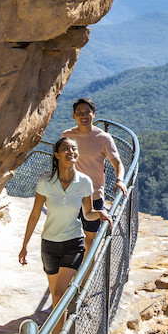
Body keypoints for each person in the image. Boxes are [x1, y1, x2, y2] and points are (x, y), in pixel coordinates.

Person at [18, 137, 110, 334]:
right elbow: (35, 214)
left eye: (74, 148)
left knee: (59, 294)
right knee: (56, 298)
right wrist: (24, 245)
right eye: (65, 148)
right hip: (49, 245)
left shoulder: (84, 182)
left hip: (73, 243)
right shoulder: (45, 182)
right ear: (57, 154)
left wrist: (100, 213)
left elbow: (87, 213)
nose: (71, 151)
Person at [61, 98, 128, 250]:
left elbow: (117, 163)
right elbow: (60, 164)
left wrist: (120, 180)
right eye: (79, 113)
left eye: (87, 112)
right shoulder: (67, 135)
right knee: (68, 239)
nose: (83, 116)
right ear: (74, 116)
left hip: (94, 196)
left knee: (90, 240)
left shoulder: (103, 138)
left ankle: (87, 272)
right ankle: (73, 272)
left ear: (93, 114)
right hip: (69, 194)